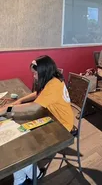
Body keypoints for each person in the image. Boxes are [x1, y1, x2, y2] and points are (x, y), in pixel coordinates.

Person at [0, 56, 74, 185]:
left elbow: (35, 106)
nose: (34, 77)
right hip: (50, 115)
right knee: (19, 138)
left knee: (23, 142)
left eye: (35, 74)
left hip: (61, 124)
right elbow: (38, 93)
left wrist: (8, 108)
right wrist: (21, 100)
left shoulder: (54, 85)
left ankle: (26, 177)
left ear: (44, 71)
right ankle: (22, 178)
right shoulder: (52, 79)